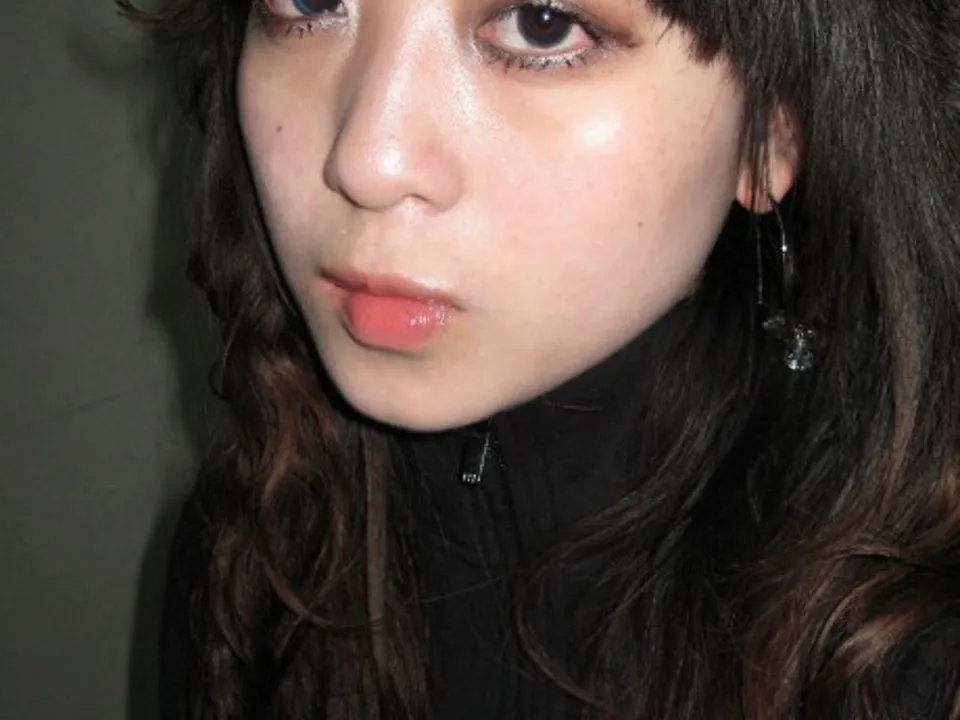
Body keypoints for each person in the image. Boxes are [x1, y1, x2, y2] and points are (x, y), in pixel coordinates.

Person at [121, 0, 960, 718]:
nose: (368, 161)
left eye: (542, 24)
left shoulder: (916, 650)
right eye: (309, 2)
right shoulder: (250, 554)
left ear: (775, 125)